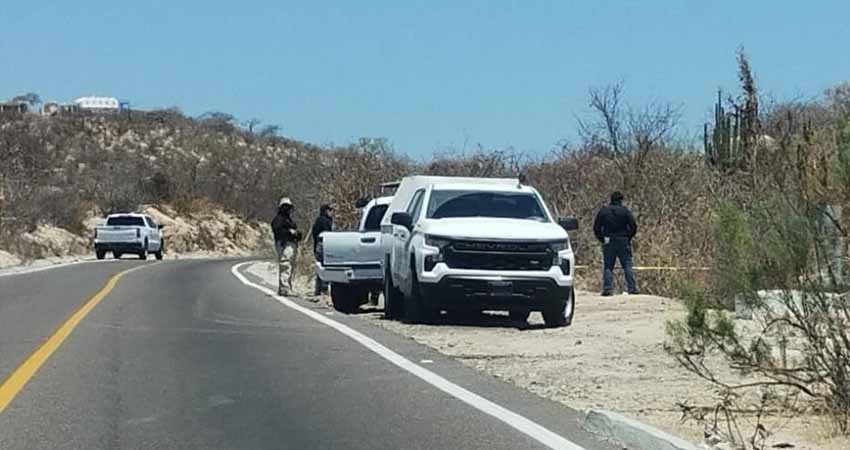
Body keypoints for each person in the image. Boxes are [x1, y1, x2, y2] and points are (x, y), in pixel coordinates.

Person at [593, 191, 638, 296]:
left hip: (608, 240)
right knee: (627, 265)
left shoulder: (604, 211)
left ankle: (607, 289)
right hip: (623, 240)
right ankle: (632, 288)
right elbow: (633, 226)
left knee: (608, 266)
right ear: (621, 200)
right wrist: (628, 237)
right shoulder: (625, 211)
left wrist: (602, 239)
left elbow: (596, 228)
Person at [271, 197, 301, 296]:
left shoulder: (289, 220)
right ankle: (284, 288)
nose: (287, 209)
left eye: (289, 207)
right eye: (285, 207)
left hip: (291, 244)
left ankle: (285, 287)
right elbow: (277, 231)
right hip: (284, 244)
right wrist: (289, 232)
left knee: (289, 266)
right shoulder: (279, 219)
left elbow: (296, 232)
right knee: (285, 264)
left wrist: (297, 234)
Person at [310, 204, 334, 295]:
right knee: (325, 266)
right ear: (326, 211)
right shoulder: (324, 221)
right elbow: (327, 235)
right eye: (330, 210)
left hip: (319, 246)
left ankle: (318, 289)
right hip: (323, 246)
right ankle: (324, 289)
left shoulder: (319, 220)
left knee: (320, 267)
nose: (332, 212)